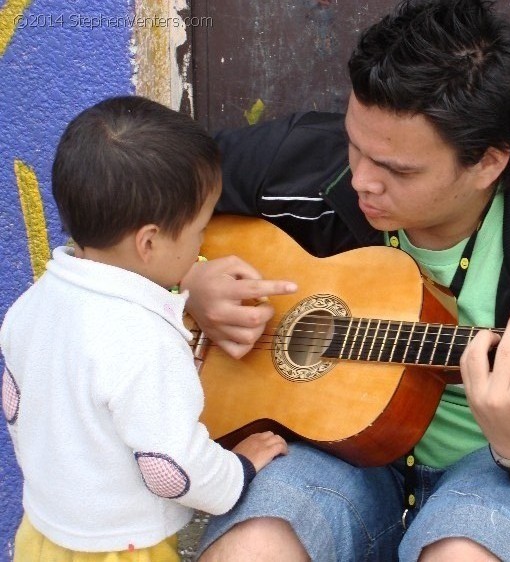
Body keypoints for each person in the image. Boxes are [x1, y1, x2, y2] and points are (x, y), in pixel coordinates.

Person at [183, 1, 510, 560]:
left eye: (398, 170)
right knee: (252, 548)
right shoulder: (306, 160)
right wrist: (189, 280)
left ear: (487, 163)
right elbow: (142, 201)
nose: (360, 180)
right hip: (330, 459)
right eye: (355, 144)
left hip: (501, 480)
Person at [0, 96, 293, 561]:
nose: (203, 242)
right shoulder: (144, 339)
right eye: (199, 230)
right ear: (149, 242)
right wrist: (239, 468)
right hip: (126, 549)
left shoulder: (32, 304)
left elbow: (16, 406)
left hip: (41, 534)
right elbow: (173, 467)